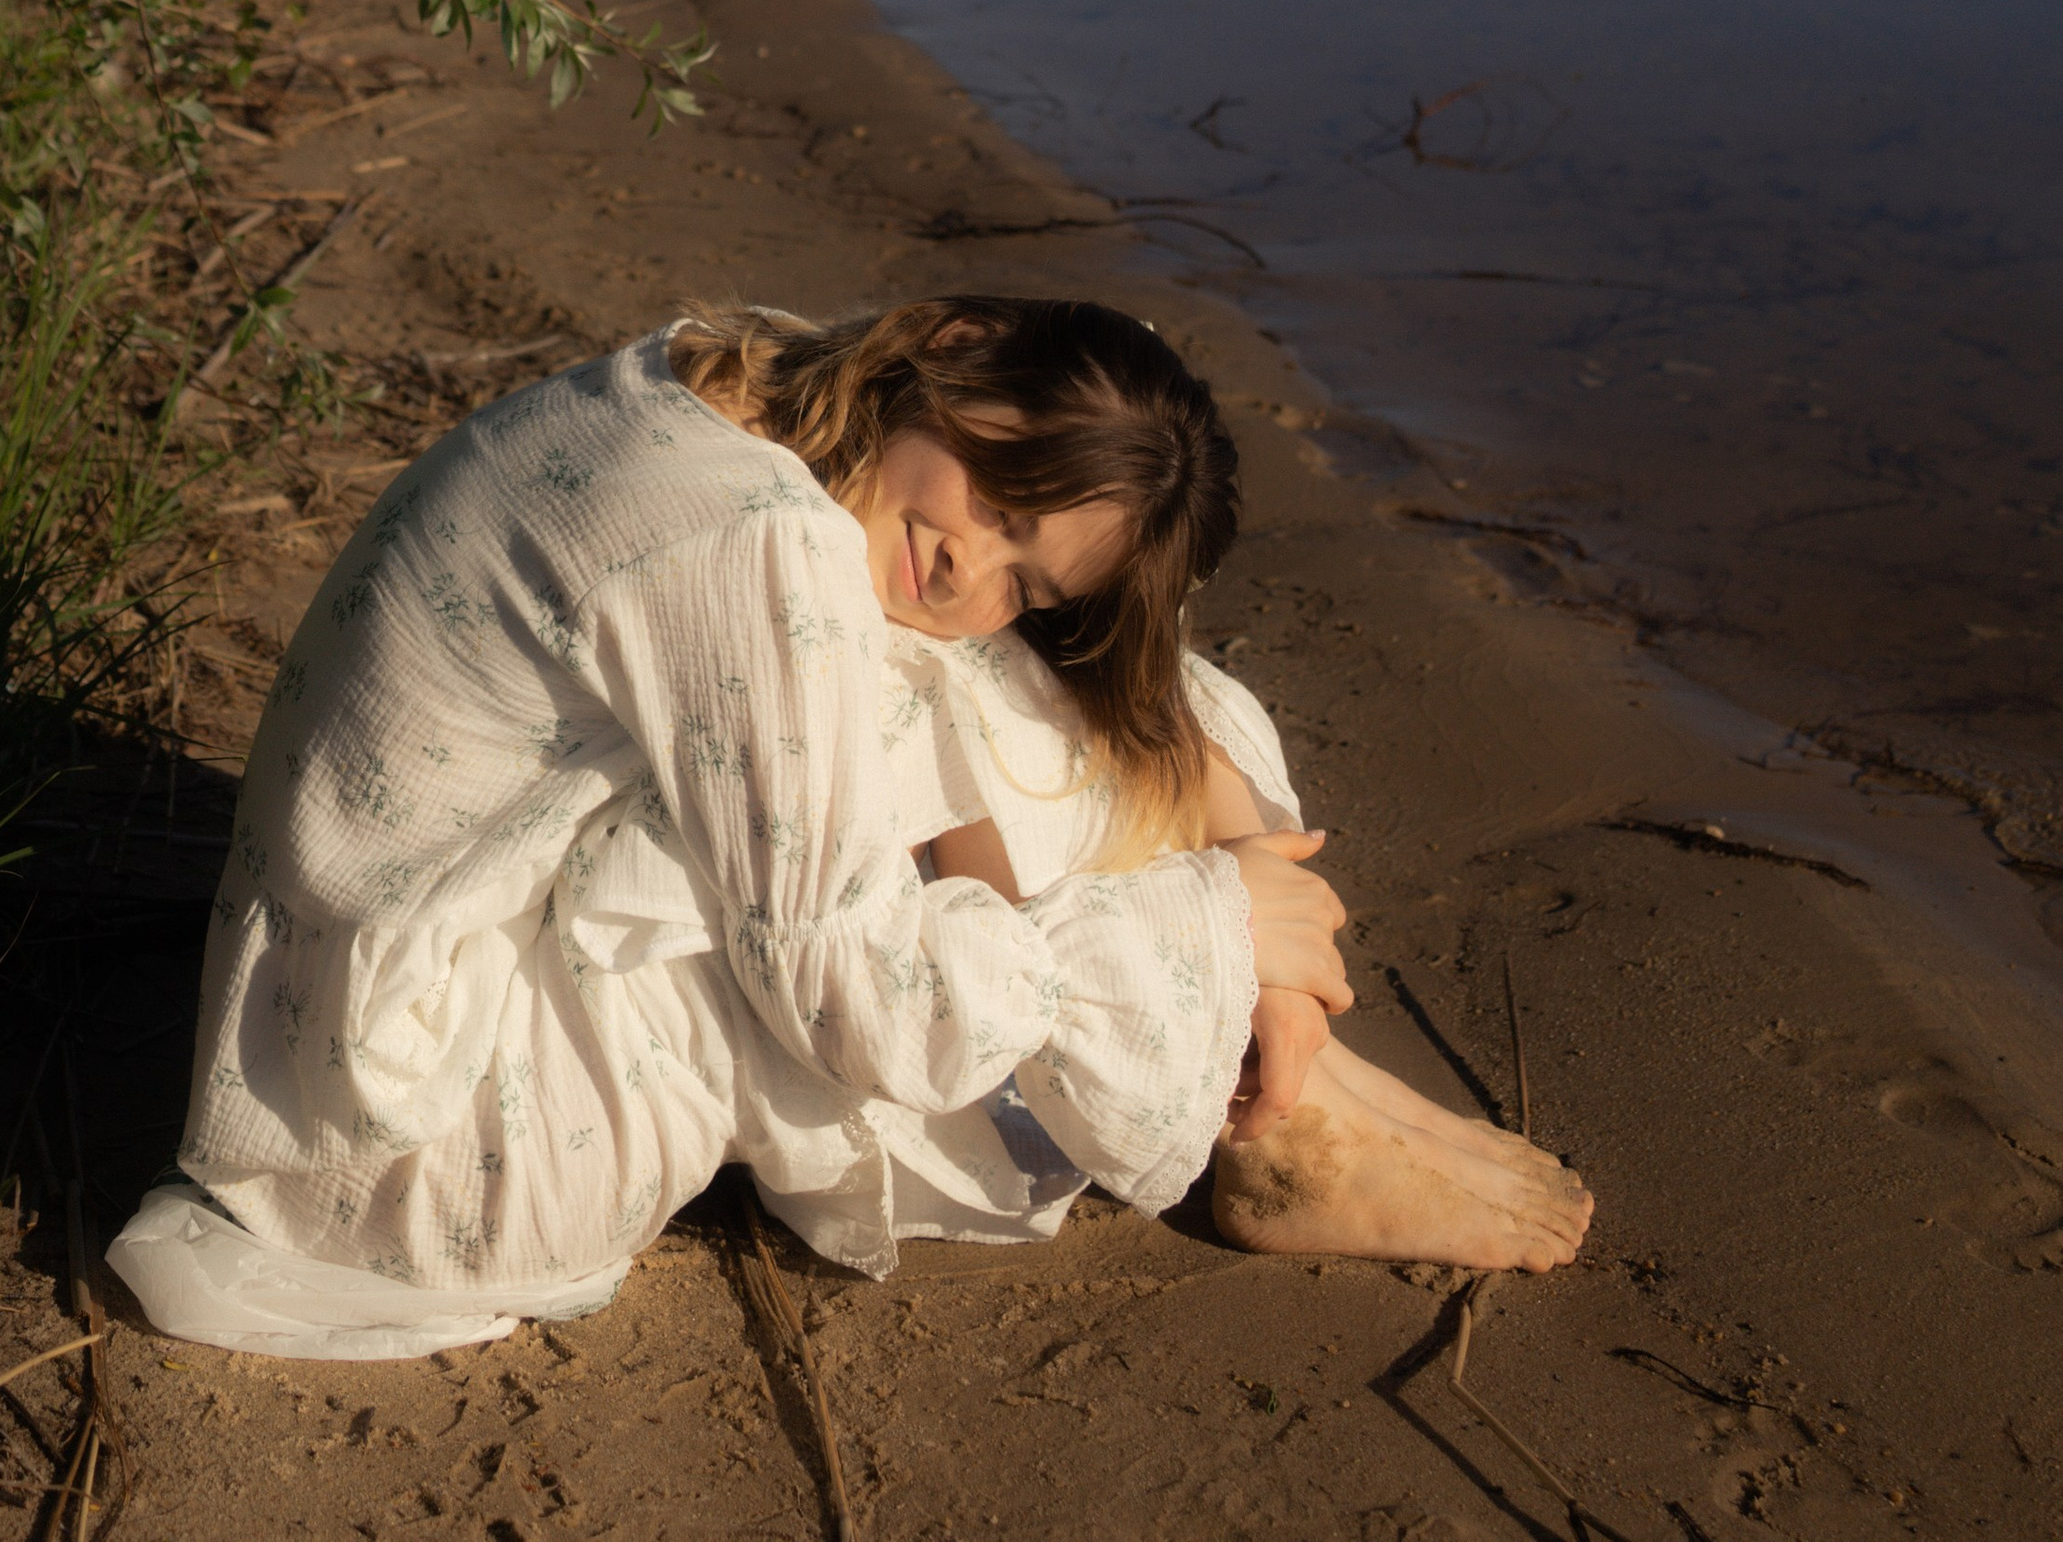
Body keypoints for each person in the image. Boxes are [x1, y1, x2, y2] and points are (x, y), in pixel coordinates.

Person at [110, 296, 1591, 1361]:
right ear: (955, 348)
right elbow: (867, 1011)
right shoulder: (750, 544)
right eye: (1005, 500)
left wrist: (1254, 934)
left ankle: (1279, 1074)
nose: (969, 571)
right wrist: (1203, 924)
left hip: (341, 1024)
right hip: (421, 1147)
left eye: (1029, 576)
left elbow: (1127, 695)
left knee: (975, 686)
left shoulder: (758, 378)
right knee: (914, 730)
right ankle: (1265, 1114)